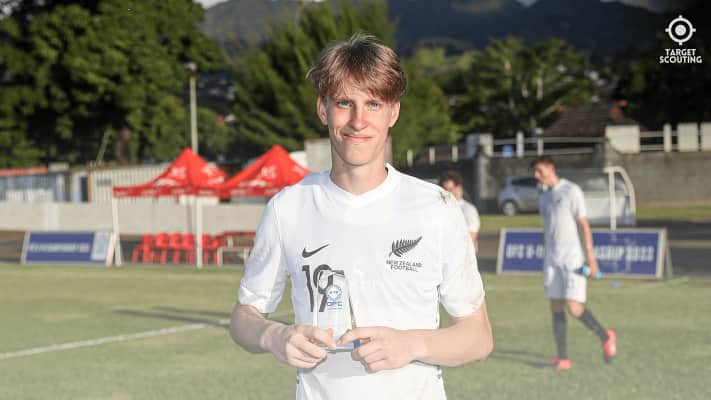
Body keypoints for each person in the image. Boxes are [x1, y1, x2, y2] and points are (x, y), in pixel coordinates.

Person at [229, 33, 492, 399]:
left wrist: (411, 344)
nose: (358, 120)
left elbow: (478, 337)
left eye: (373, 104)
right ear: (323, 110)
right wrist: (274, 335)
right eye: (344, 103)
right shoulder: (287, 208)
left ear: (393, 112)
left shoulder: (436, 207)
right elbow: (243, 318)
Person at [532, 155, 617, 371]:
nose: (536, 175)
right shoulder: (544, 197)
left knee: (574, 308)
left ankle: (606, 336)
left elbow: (584, 225)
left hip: (572, 259)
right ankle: (563, 358)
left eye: (539, 170)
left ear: (551, 168)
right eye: (535, 172)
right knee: (555, 306)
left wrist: (591, 257)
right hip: (552, 259)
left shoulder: (571, 191)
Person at [439, 170, 480, 248]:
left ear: (459, 188)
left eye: (450, 189)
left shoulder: (469, 210)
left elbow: (471, 239)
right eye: (444, 190)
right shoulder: (440, 209)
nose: (447, 193)